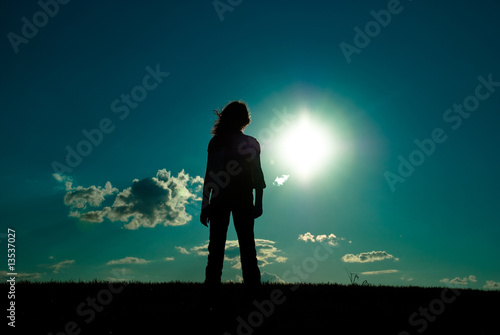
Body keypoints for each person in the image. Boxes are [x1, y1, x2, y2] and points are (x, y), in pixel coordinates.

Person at [201, 100, 266, 302]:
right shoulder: (249, 142)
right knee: (246, 248)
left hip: (222, 199)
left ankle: (212, 296)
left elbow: (210, 176)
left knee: (218, 250)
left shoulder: (217, 142)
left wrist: (205, 205)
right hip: (239, 199)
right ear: (244, 120)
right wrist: (259, 203)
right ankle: (252, 296)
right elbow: (258, 176)